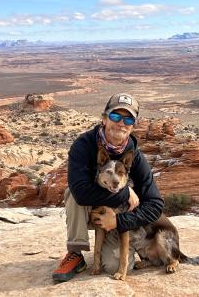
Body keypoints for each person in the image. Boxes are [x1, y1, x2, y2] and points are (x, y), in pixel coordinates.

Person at [52, 92, 164, 282]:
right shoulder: (84, 145)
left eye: (128, 119)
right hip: (89, 210)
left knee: (112, 266)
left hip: (116, 218)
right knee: (72, 193)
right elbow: (80, 191)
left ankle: (136, 248)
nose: (121, 123)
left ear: (132, 126)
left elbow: (156, 204)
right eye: (115, 116)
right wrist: (124, 192)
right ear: (104, 119)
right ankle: (76, 253)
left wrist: (120, 222)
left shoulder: (134, 157)